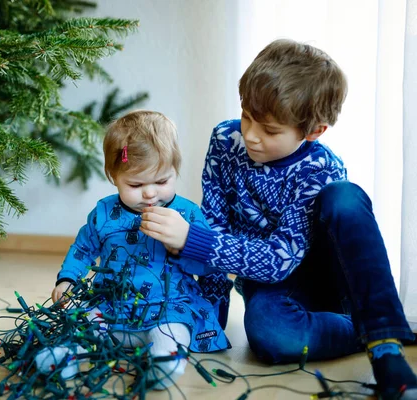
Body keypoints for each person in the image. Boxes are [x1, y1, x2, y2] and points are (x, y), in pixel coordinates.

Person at [140, 39, 417, 399]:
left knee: (345, 196)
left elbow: (279, 258)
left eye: (270, 130)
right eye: (247, 117)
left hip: (324, 275)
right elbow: (216, 224)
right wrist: (210, 317)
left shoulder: (319, 167)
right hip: (271, 285)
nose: (251, 135)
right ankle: (371, 327)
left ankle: (384, 344)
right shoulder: (226, 141)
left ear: (314, 131)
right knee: (269, 333)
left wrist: (192, 239)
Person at [50, 110, 232, 389]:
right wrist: (67, 279)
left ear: (175, 171)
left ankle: (164, 362)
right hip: (111, 305)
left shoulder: (187, 213)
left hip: (168, 306)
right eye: (135, 184)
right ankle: (63, 358)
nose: (150, 194)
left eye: (162, 181)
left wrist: (182, 246)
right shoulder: (104, 213)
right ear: (114, 176)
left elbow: (209, 265)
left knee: (174, 329)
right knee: (83, 322)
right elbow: (83, 249)